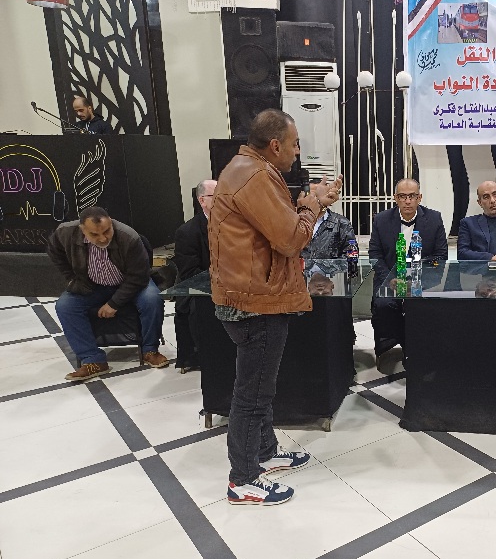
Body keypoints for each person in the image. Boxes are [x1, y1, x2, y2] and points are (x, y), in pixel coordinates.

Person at [208, 108, 342, 506]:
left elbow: (275, 230)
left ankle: (264, 454)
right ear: (275, 145)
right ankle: (243, 478)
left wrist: (310, 205)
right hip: (255, 303)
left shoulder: (248, 169)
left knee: (259, 388)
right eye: (295, 144)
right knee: (252, 394)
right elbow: (290, 240)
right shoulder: (256, 176)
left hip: (253, 296)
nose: (298, 151)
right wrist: (312, 207)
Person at [47, 207, 168, 381]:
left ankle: (150, 350)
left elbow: (138, 276)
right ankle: (92, 359)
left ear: (111, 222)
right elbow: (54, 252)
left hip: (131, 283)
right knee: (65, 306)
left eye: (106, 231)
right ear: (82, 230)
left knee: (152, 299)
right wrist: (71, 278)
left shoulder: (128, 236)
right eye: (94, 234)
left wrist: (114, 303)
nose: (103, 238)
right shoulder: (65, 233)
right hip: (92, 285)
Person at [368, 178, 448, 358]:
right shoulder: (381, 219)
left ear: (419, 198)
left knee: (428, 308)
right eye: (403, 196)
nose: (407, 201)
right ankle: (396, 347)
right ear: (395, 198)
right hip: (390, 280)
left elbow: (440, 255)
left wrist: (417, 280)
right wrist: (390, 279)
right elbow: (374, 254)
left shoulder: (434, 219)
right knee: (383, 306)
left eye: (412, 196)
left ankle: (422, 350)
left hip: (423, 280)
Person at [172, 180, 216, 370]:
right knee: (199, 308)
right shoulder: (187, 232)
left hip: (234, 282)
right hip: (202, 285)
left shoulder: (236, 225)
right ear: (202, 200)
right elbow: (190, 273)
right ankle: (204, 356)